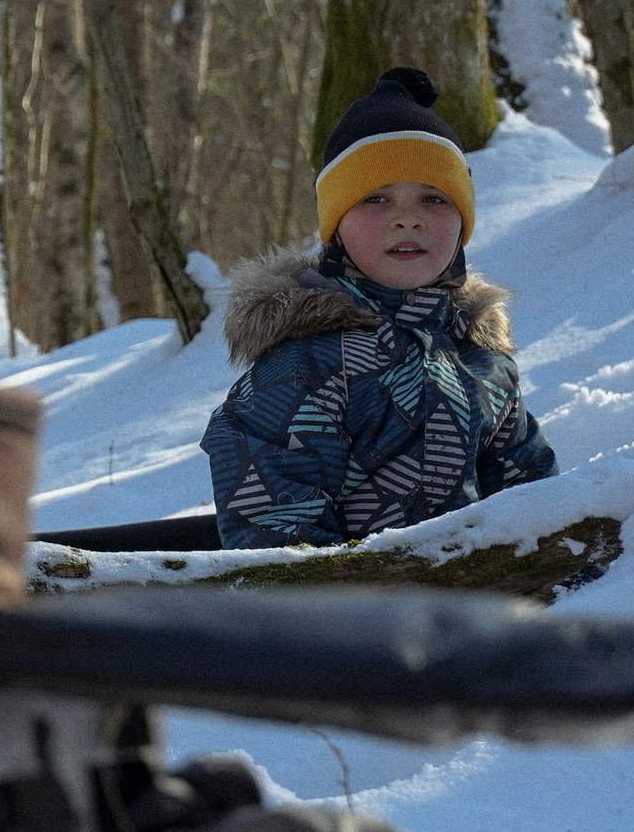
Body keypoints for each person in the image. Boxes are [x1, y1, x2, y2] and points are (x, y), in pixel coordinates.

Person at [203, 68, 556, 550]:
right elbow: (274, 532)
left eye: (433, 199)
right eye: (376, 199)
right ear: (336, 226)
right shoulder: (304, 367)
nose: (407, 218)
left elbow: (535, 495)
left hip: (475, 590)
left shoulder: (479, 358)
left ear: (463, 221)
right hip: (357, 595)